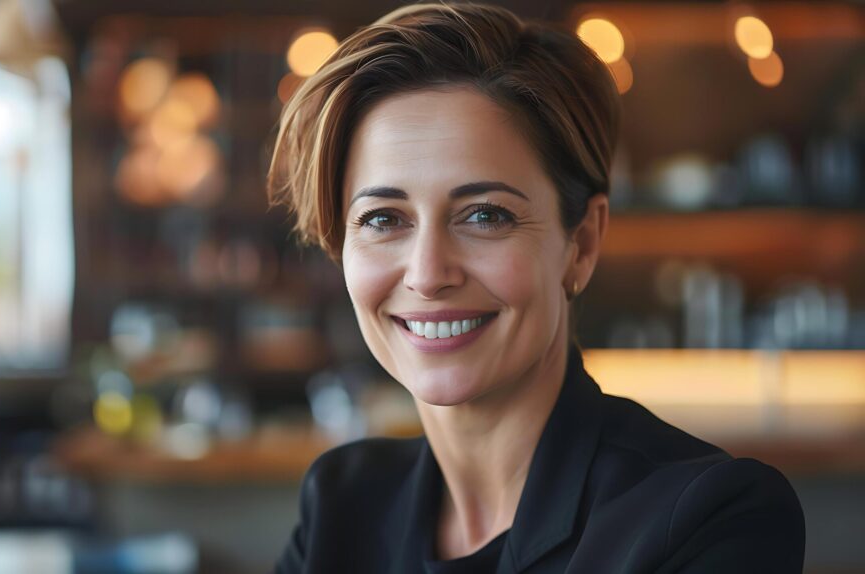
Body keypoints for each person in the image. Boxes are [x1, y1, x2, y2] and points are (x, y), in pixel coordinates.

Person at [266, 3, 805, 572]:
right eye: (382, 219)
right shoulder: (341, 506)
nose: (427, 274)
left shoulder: (708, 519)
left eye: (485, 216)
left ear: (583, 243)